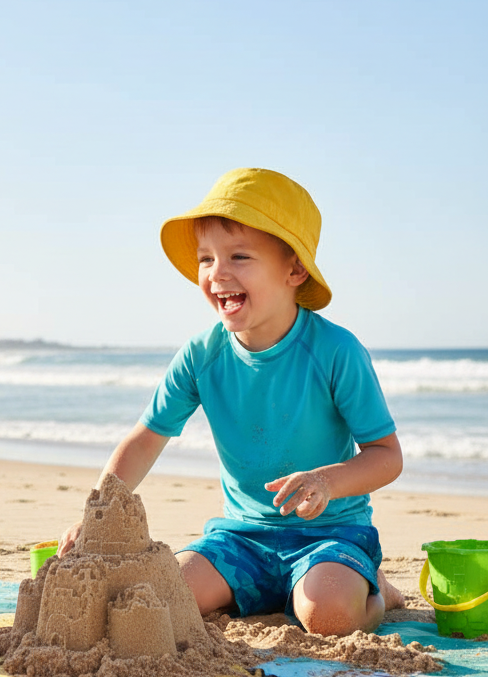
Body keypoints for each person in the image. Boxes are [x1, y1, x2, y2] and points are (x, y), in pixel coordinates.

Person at [59, 167, 405, 636]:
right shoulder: (202, 355)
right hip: (241, 538)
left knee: (328, 617)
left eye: (239, 256)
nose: (217, 273)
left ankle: (379, 589)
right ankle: (272, 589)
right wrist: (98, 516)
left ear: (294, 270)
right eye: (206, 258)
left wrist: (325, 481)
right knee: (160, 598)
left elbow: (386, 456)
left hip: (330, 535)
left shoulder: (336, 351)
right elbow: (145, 440)